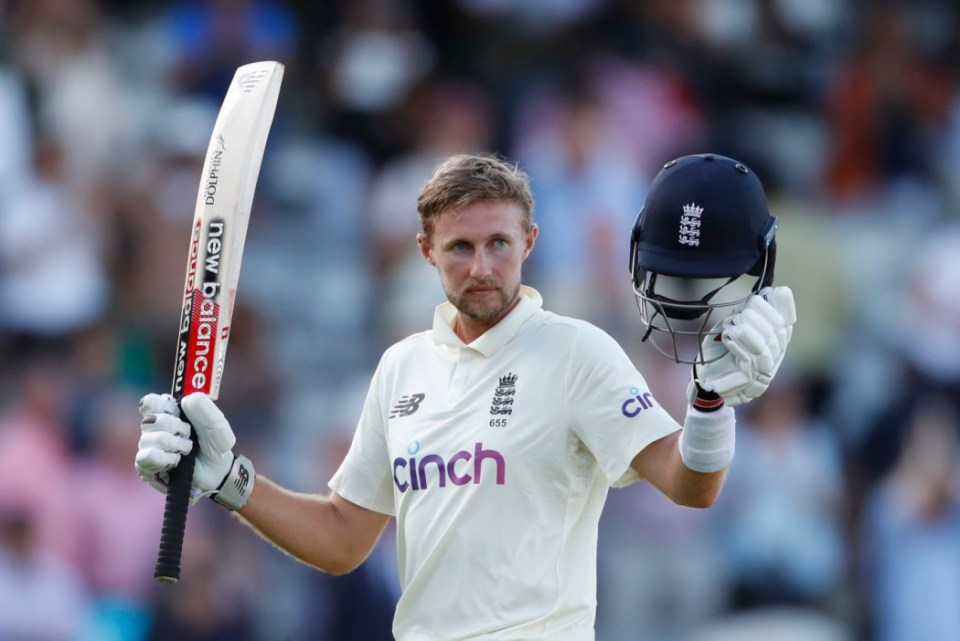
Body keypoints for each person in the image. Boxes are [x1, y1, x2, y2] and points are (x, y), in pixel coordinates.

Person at [136, 152, 796, 640]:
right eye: (460, 248)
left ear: (529, 243)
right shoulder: (401, 368)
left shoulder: (577, 353)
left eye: (498, 244)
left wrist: (711, 401)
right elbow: (342, 538)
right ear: (426, 252)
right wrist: (229, 478)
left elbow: (690, 484)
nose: (481, 267)